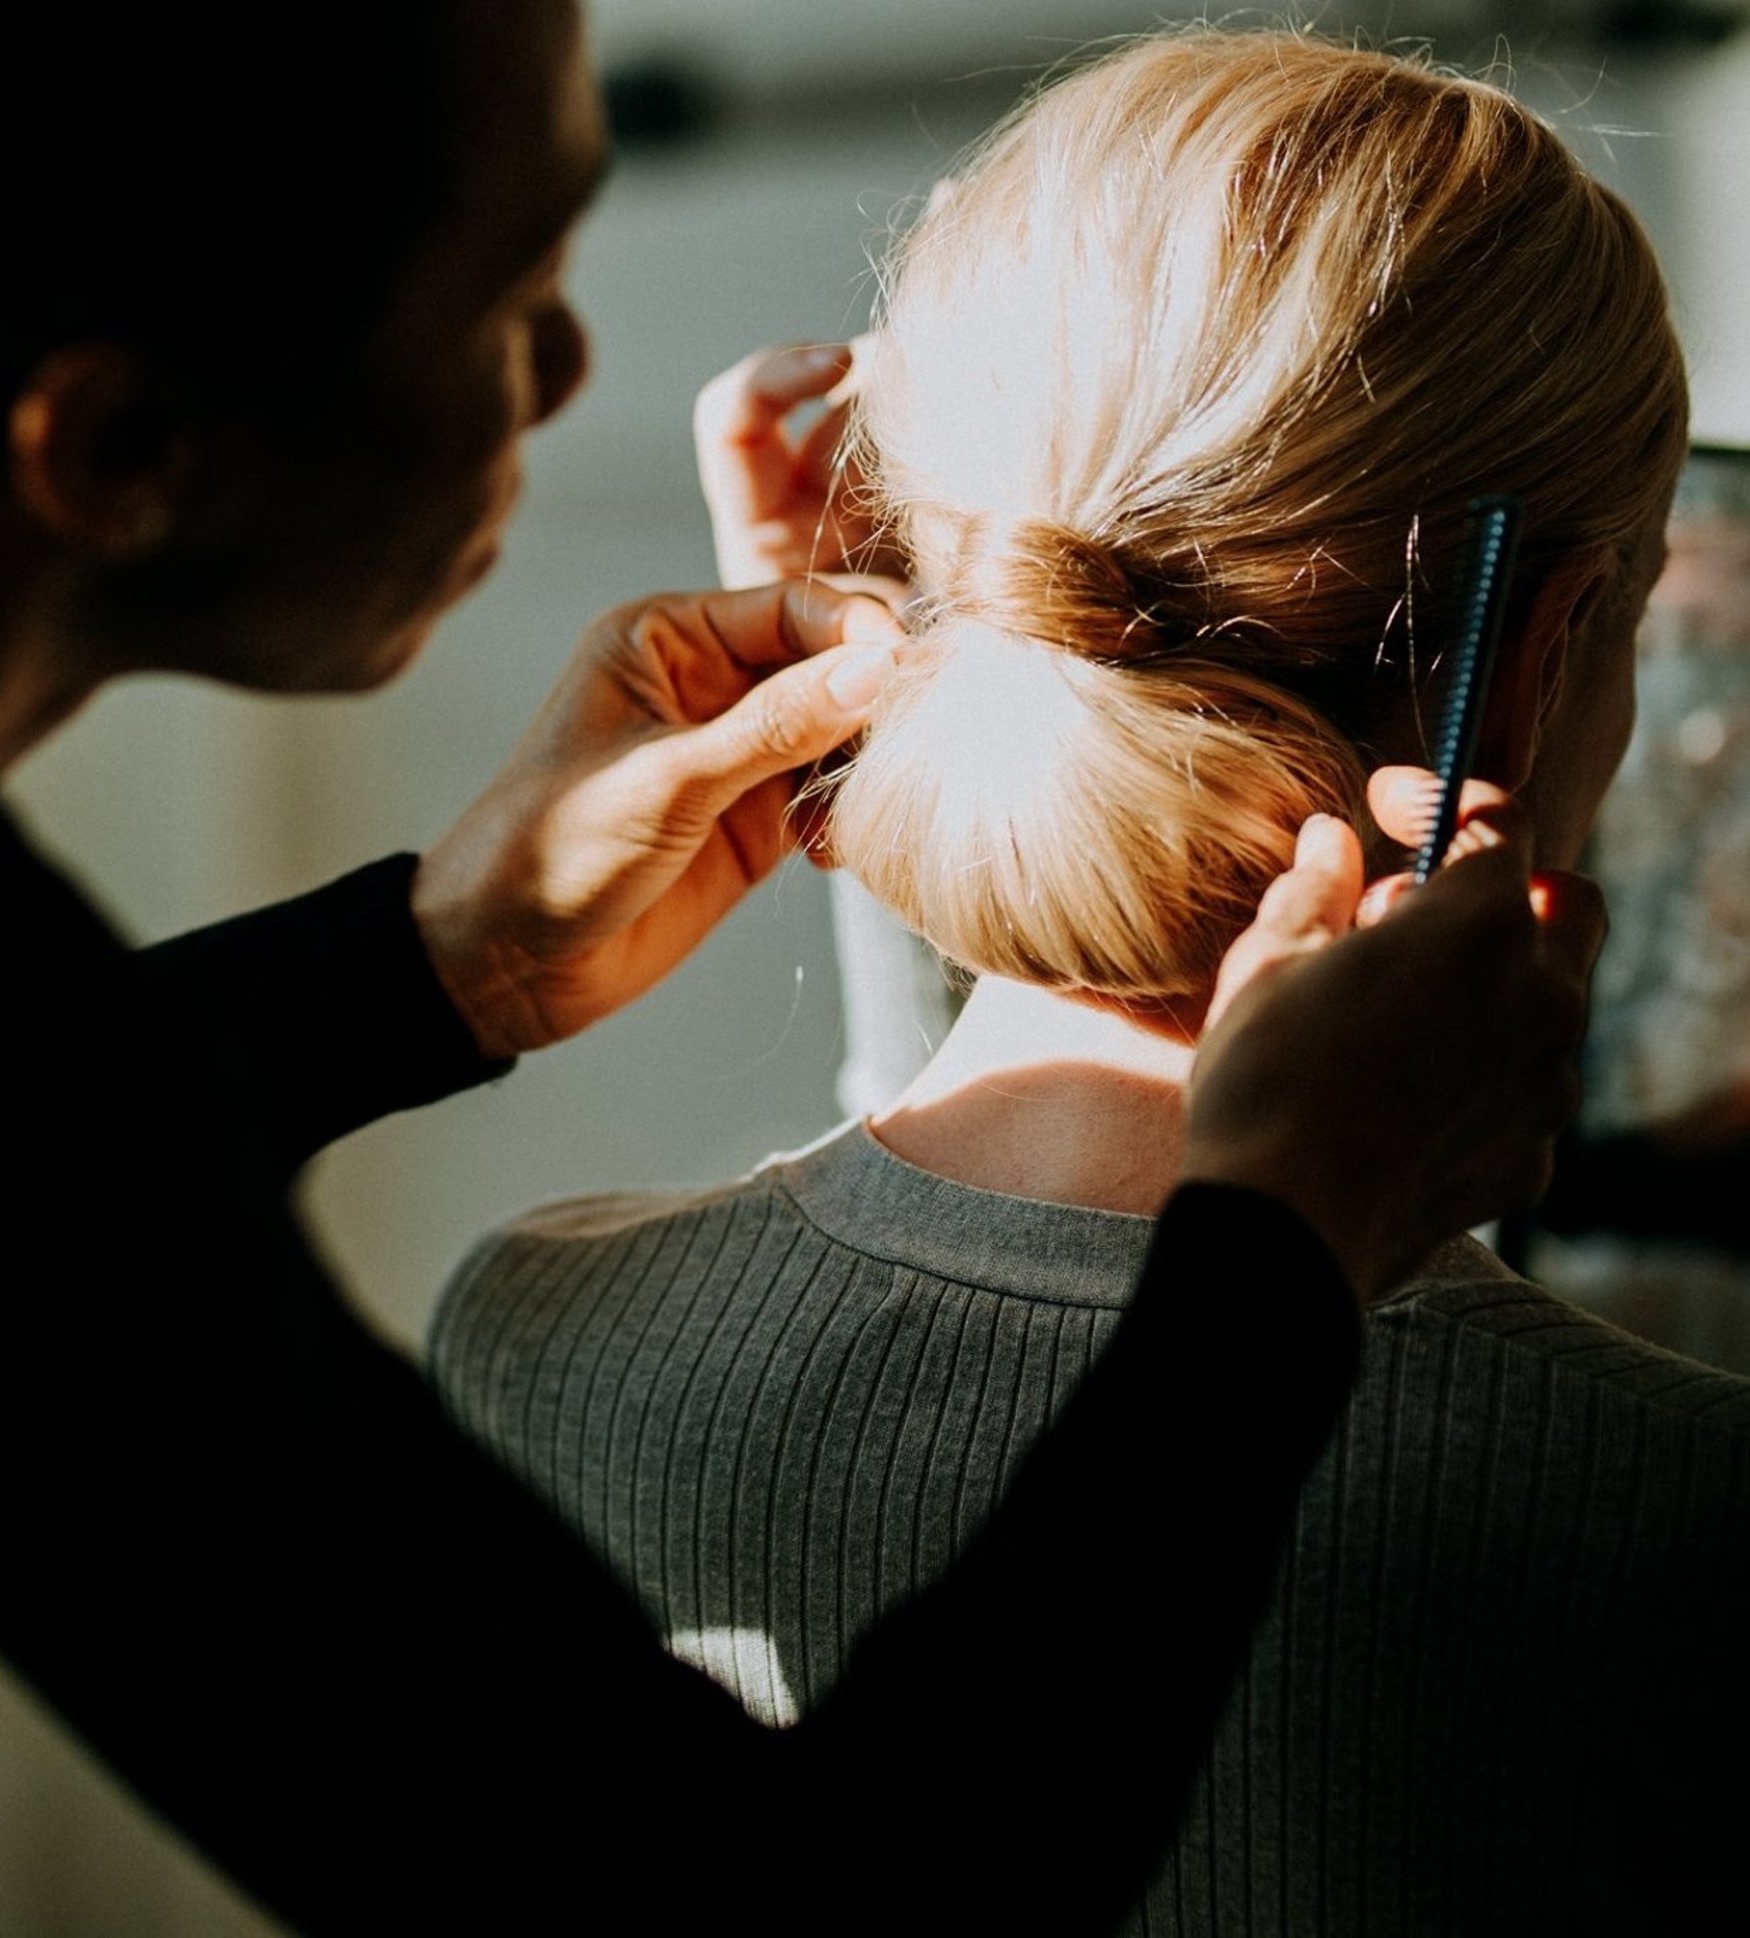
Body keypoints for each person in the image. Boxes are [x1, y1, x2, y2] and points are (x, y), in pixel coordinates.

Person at [0, 3, 1617, 1929]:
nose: (578, 363)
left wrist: (433, 967)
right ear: (114, 451)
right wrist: (1281, 1239)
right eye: (509, 297)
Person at [428, 31, 1750, 1936]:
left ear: (893, 558)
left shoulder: (528, 1353)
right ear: (1540, 665)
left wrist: (908, 742)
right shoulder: (1682, 1529)